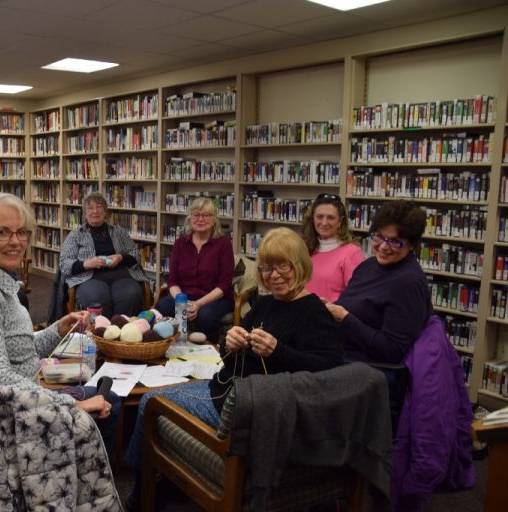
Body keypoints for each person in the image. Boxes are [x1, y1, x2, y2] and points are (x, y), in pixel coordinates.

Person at [123, 227, 343, 509]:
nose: (273, 276)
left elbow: (330, 371)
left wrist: (280, 352)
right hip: (231, 388)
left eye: (283, 267)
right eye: (266, 268)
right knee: (154, 397)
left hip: (245, 405)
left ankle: (139, 497)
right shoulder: (267, 303)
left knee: (150, 402)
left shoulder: (314, 312)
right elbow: (232, 354)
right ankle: (160, 486)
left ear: (299, 265)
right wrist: (231, 341)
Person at [0, 193, 121, 457]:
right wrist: (69, 404)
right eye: (2, 232)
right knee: (109, 403)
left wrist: (56, 330)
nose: (16, 242)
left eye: (21, 232)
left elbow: (15, 348)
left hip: (17, 400)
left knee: (107, 396)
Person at [325, 199, 432, 364]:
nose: (383, 246)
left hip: (369, 371)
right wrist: (329, 307)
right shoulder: (368, 266)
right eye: (379, 237)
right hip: (339, 353)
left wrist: (344, 318)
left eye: (394, 241)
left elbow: (393, 350)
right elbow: (352, 305)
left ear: (411, 245)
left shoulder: (409, 283)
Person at [154, 197, 234, 342]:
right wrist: (181, 303)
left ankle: (206, 356)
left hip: (213, 299)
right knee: (162, 306)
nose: (200, 219)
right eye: (196, 215)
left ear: (214, 219)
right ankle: (171, 349)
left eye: (206, 215)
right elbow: (173, 280)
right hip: (183, 297)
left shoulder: (224, 244)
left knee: (206, 316)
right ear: (190, 218)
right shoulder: (180, 243)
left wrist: (198, 304)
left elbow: (224, 284)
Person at [59, 192, 148, 318]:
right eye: (90, 208)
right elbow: (64, 264)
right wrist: (87, 264)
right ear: (85, 214)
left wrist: (120, 257)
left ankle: (122, 331)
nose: (95, 211)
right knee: (96, 298)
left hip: (121, 275)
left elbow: (136, 255)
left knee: (131, 294)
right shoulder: (75, 235)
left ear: (105, 211)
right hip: (90, 278)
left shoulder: (118, 231)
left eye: (99, 206)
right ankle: (100, 333)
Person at [302, 193, 365, 302]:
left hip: (332, 316)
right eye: (319, 217)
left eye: (331, 217)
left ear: (340, 222)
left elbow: (357, 296)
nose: (324, 222)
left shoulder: (352, 253)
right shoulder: (303, 248)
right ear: (313, 219)